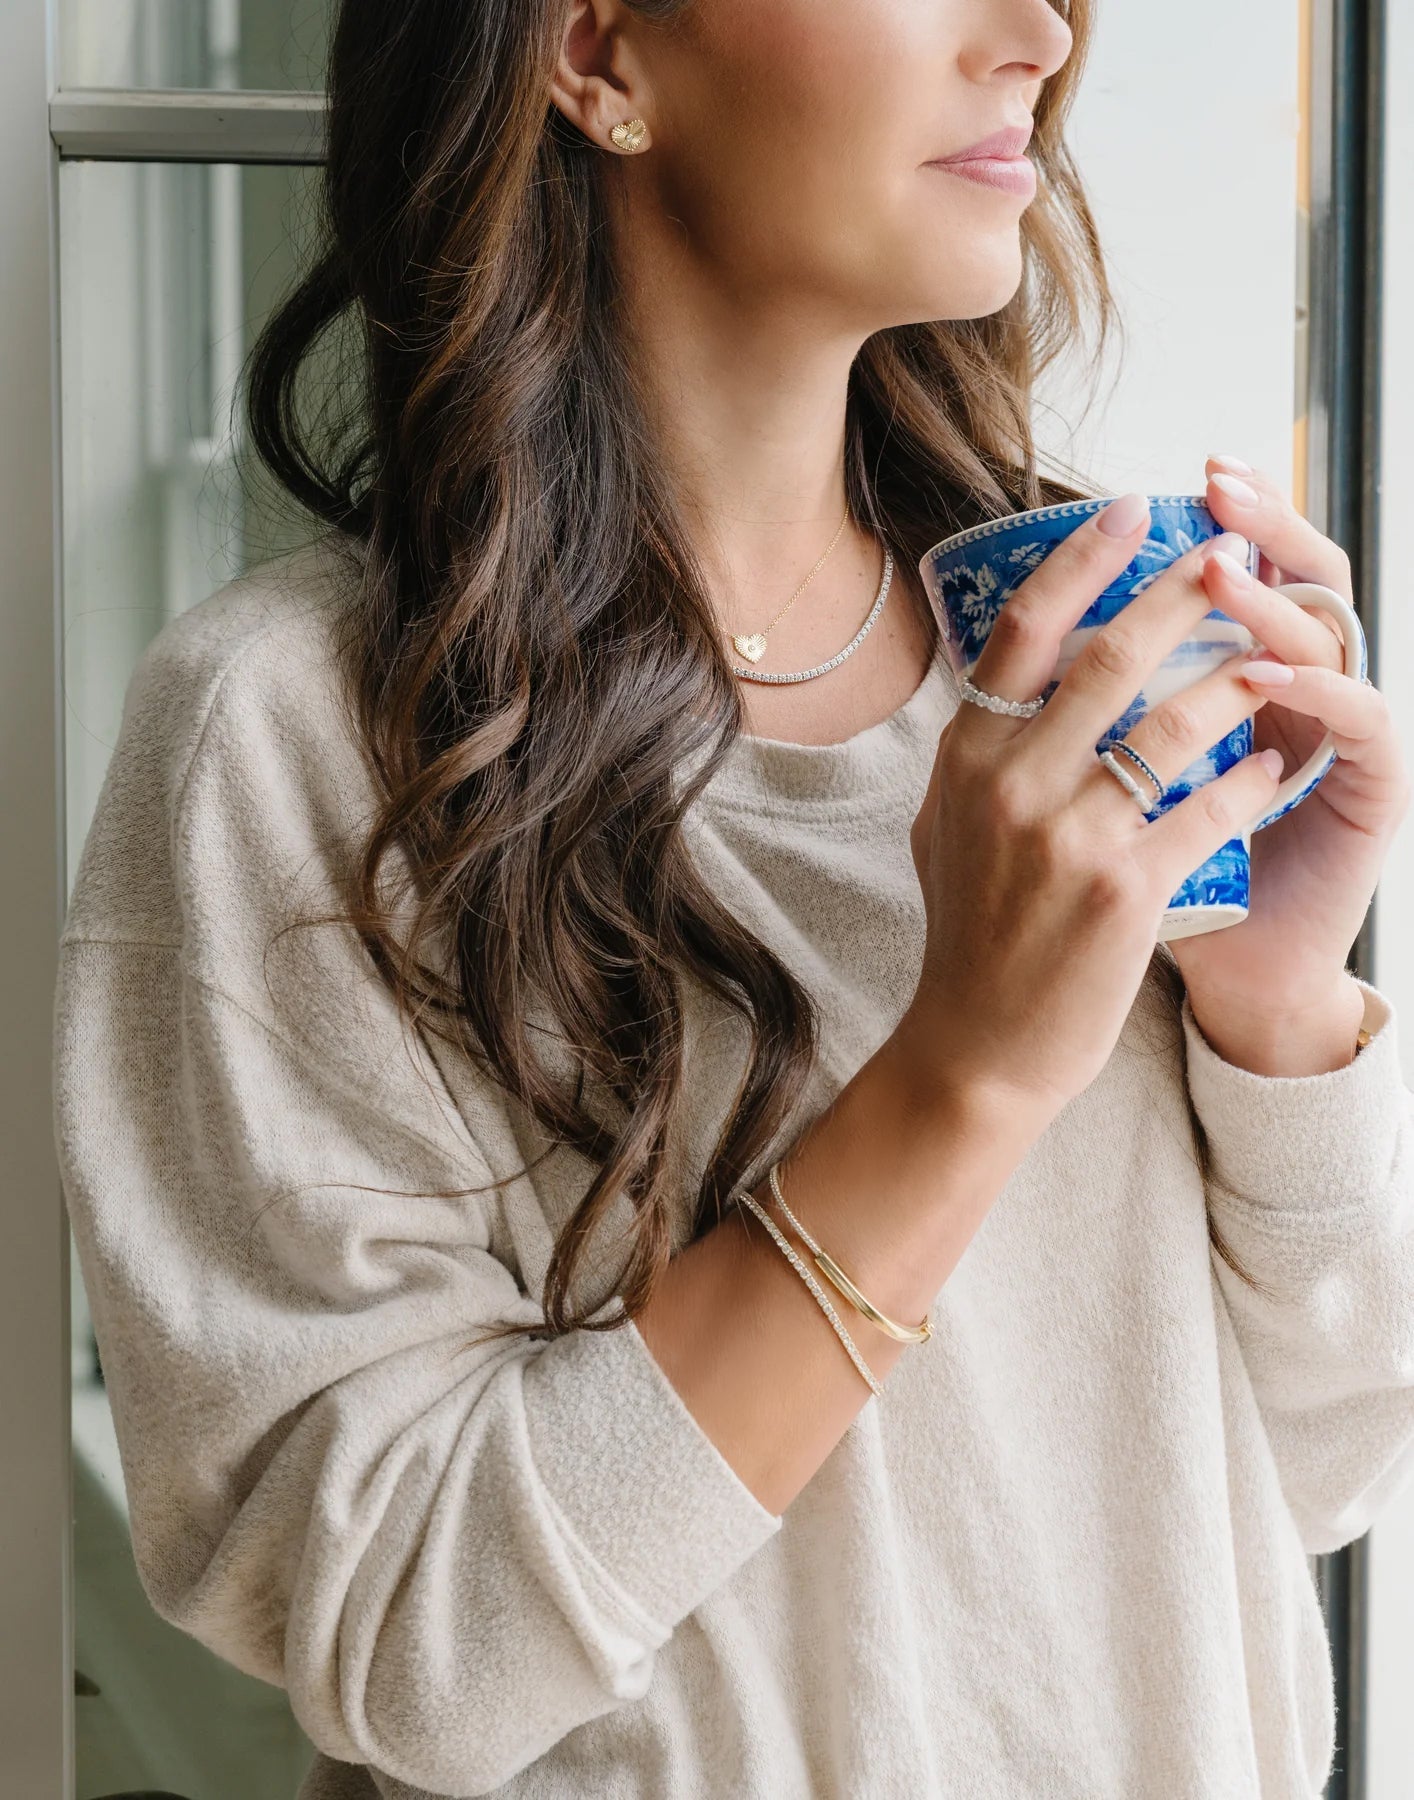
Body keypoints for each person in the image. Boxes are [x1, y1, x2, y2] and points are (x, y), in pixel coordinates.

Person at [52, 0, 1414, 1795]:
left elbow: (1325, 1461)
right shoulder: (299, 739)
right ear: (597, 54)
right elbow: (406, 1649)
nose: (1039, 33)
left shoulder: (1069, 657)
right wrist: (960, 1079)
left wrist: (1281, 1000)